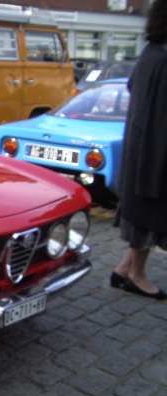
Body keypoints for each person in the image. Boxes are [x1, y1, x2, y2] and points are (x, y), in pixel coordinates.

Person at [111, 0, 167, 300]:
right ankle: (137, 275)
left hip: (144, 151)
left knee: (146, 213)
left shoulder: (151, 55)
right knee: (149, 214)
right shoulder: (161, 60)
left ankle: (123, 270)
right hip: (152, 154)